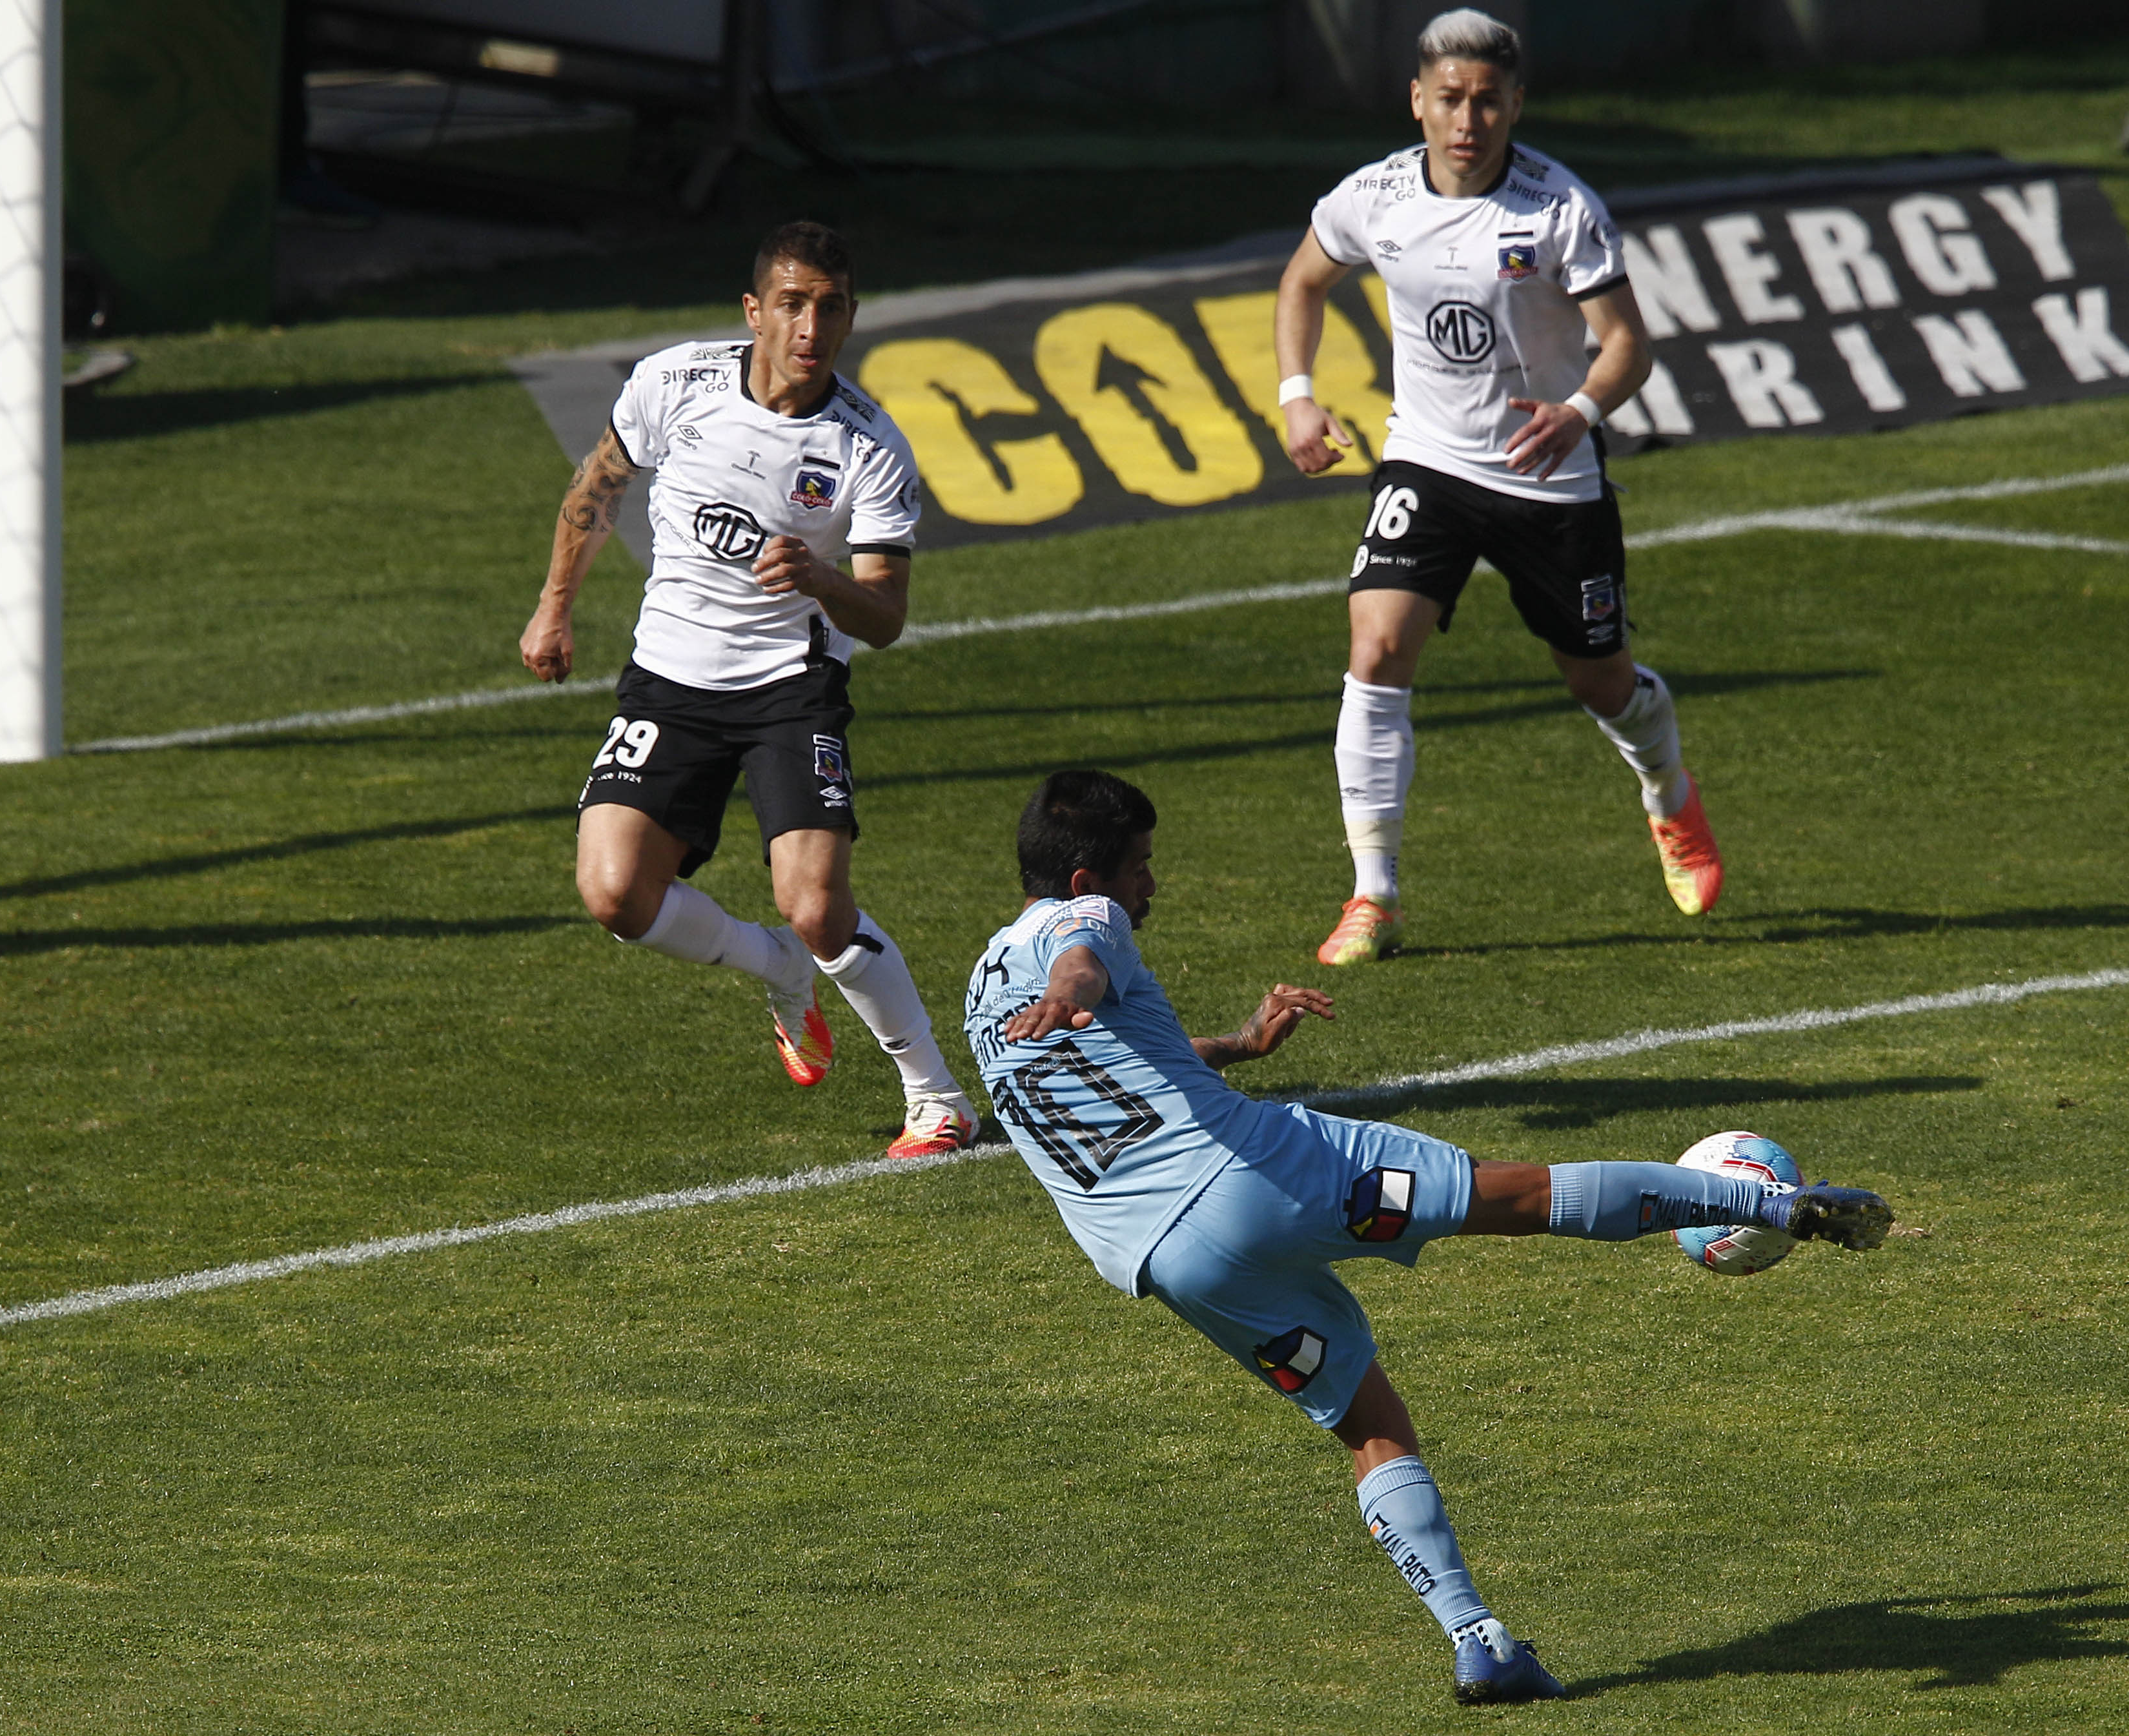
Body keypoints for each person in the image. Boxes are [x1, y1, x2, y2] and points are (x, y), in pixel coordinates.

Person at [963, 770, 1893, 1706]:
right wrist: (1077, 974)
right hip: (1264, 1170)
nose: (1149, 888)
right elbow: (1080, 964)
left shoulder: (981, 996)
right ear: (1087, 881)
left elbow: (1106, 1056)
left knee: (1370, 1427)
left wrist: (1237, 1047)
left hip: (1179, 1263)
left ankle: (1477, 1640)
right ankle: (1773, 1205)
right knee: (1523, 1196)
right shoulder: (1077, 932)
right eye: (1139, 870)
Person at [520, 220, 978, 1159]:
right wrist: (552, 609)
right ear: (754, 310)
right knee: (614, 894)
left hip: (788, 689)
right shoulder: (673, 382)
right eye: (793, 303)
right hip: (668, 681)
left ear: (851, 317)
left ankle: (937, 1097)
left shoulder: (868, 446)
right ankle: (773, 967)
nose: (812, 327)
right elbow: (596, 489)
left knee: (816, 906)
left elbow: (885, 617)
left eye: (832, 307)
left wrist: (821, 580)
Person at [1275, 7, 1722, 968]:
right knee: (1376, 642)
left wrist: (1577, 414)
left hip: (1547, 475)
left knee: (1597, 680)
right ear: (1417, 102)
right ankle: (1372, 893)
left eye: (1486, 101)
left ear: (1515, 104)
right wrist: (1298, 398)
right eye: (1449, 100)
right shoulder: (1376, 195)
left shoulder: (1559, 208)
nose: (1467, 120)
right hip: (1426, 461)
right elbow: (1302, 281)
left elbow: (1628, 346)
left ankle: (1668, 793)